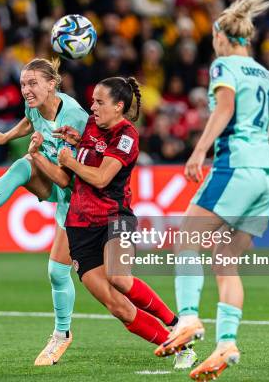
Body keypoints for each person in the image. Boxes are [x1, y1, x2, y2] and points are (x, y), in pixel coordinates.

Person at [154, 0, 269, 380]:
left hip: (237, 169)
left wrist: (199, 151)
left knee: (186, 238)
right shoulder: (267, 75)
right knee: (226, 259)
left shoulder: (224, 65)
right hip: (267, 177)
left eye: (214, 41)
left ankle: (189, 320)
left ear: (223, 38)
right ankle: (227, 342)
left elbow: (225, 107)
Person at [50, 76, 196, 370]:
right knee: (117, 307)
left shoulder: (126, 134)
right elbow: (94, 147)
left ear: (119, 107)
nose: (92, 107)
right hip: (79, 225)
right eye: (92, 101)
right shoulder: (93, 126)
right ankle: (178, 345)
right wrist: (77, 141)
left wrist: (68, 160)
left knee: (119, 277)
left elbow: (101, 178)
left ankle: (179, 324)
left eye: (99, 102)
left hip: (115, 217)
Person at [0, 58, 88, 365]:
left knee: (107, 285)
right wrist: (4, 138)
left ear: (52, 84)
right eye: (22, 84)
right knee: (21, 166)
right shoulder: (34, 106)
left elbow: (88, 160)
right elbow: (30, 121)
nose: (26, 90)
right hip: (58, 184)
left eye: (32, 84)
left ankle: (174, 327)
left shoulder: (76, 116)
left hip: (83, 199)